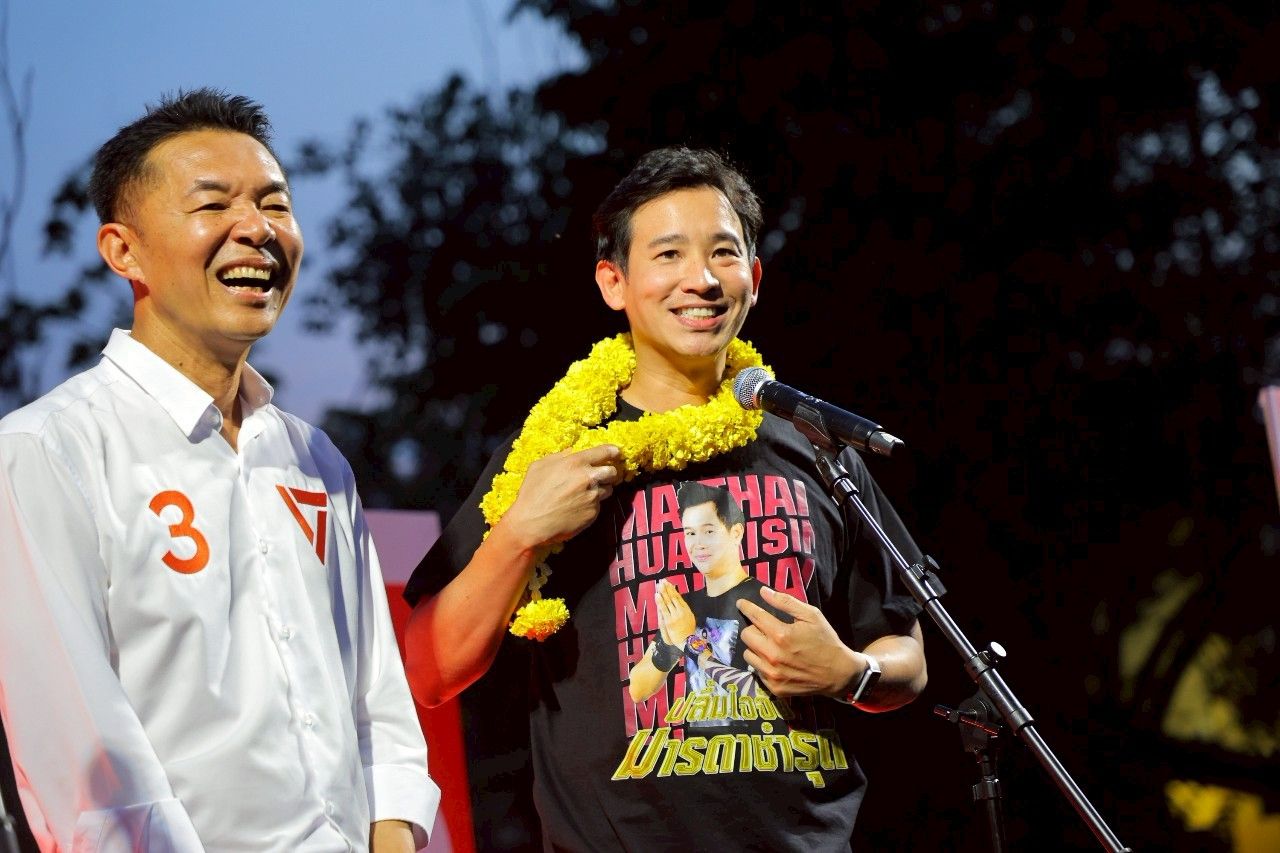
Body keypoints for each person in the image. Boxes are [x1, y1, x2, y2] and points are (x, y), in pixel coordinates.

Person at [403, 146, 927, 851]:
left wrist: (851, 672)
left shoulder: (818, 448)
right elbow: (428, 671)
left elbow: (907, 649)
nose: (701, 280)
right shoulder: (554, 453)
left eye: (723, 253)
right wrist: (520, 531)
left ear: (755, 278)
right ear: (613, 282)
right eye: (669, 254)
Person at [0, 89, 438, 852]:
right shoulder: (46, 450)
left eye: (275, 203)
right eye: (213, 204)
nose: (257, 229)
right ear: (123, 251)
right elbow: (84, 759)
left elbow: (379, 704)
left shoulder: (316, 459)